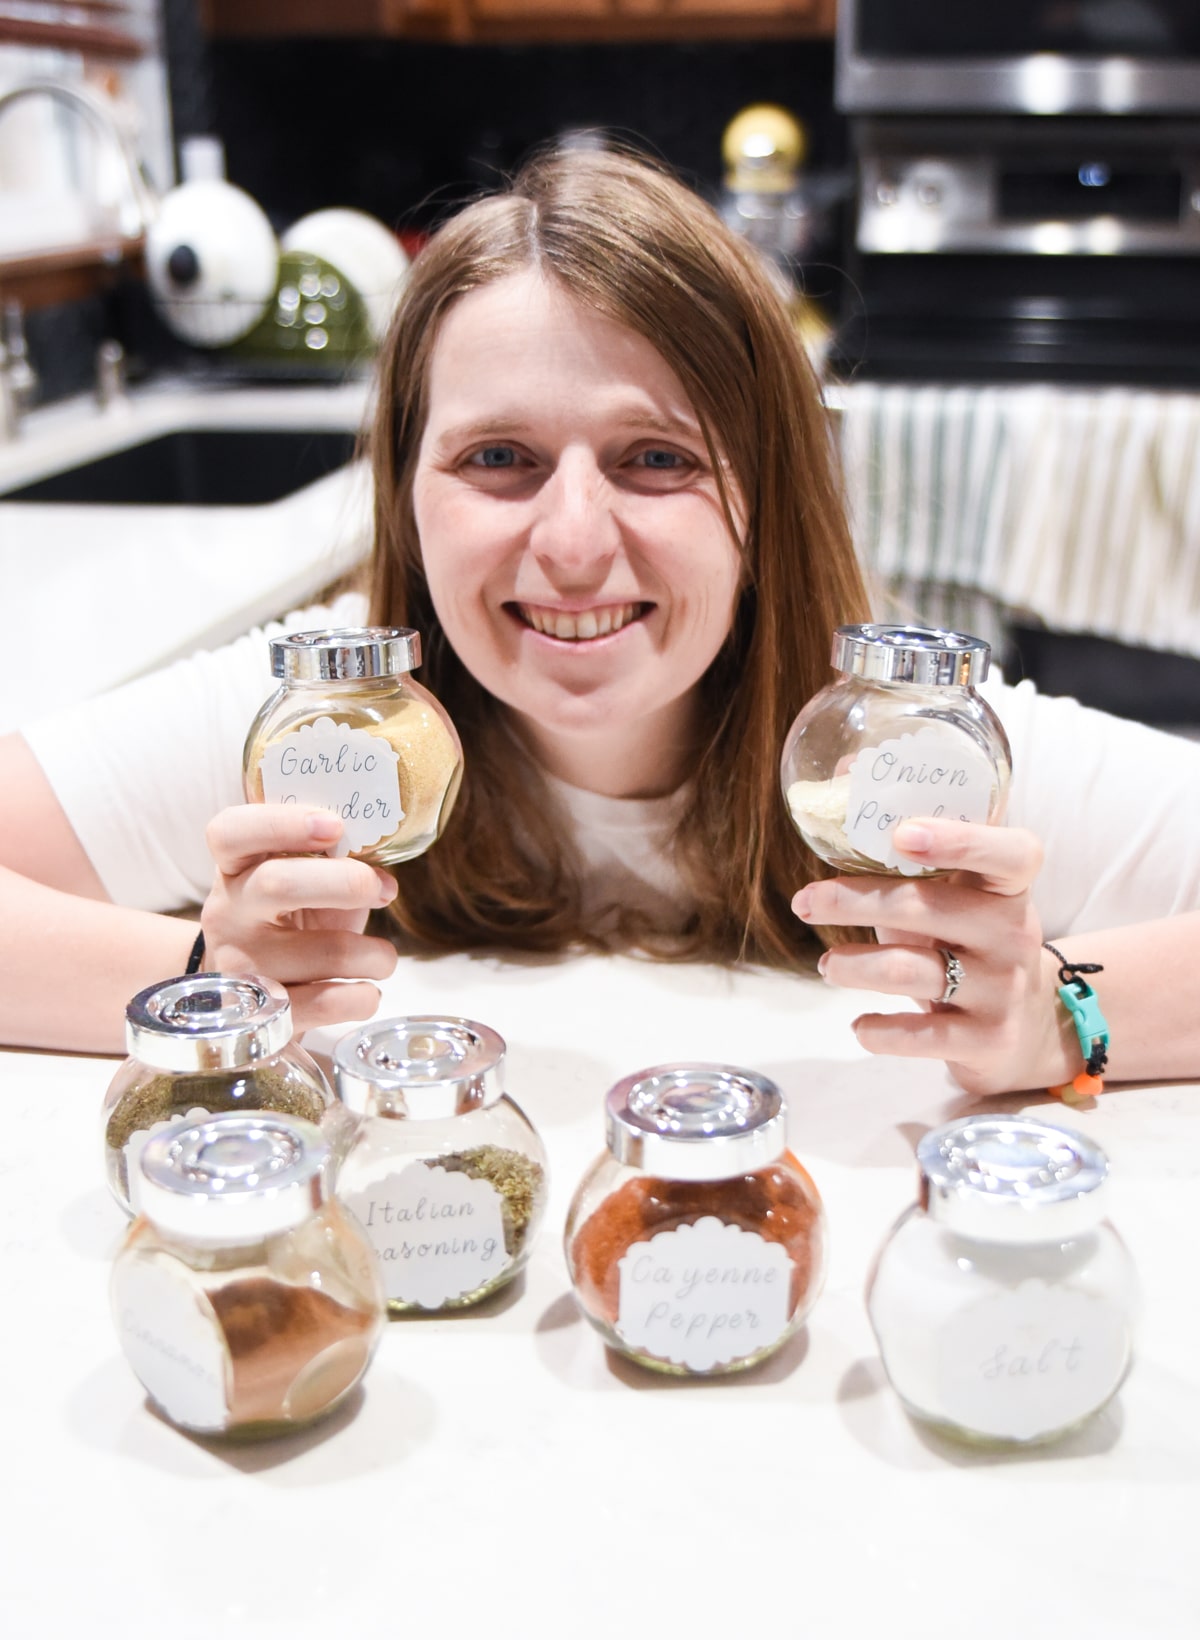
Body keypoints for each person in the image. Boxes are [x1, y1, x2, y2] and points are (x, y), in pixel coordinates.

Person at [4, 147, 1200, 1096]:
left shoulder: (903, 756)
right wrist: (206, 978)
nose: (574, 543)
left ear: (765, 498)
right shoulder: (309, 734)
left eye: (656, 457)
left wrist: (1060, 1014)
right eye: (501, 456)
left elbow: (1070, 1001)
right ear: (407, 496)